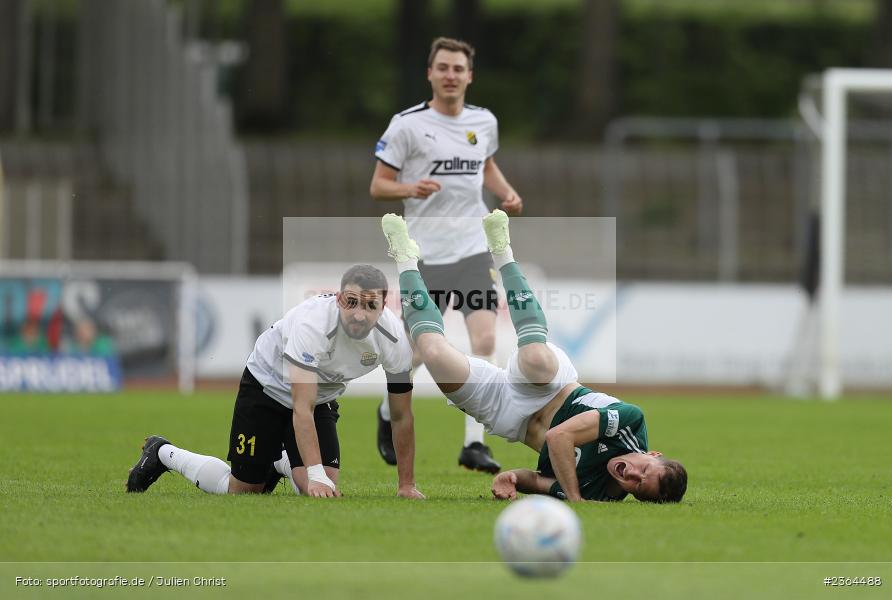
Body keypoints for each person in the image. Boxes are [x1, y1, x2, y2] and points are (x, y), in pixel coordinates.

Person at [381, 211, 688, 502]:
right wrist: (575, 499)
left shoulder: (603, 493)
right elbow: (558, 437)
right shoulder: (630, 423)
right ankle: (502, 251)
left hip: (505, 413)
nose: (631, 476)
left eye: (637, 488)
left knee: (432, 353)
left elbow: (538, 481)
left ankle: (405, 259)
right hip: (549, 385)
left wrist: (512, 477)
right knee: (535, 359)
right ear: (653, 454)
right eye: (643, 469)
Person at [126, 265, 425, 500]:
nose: (359, 314)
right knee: (243, 490)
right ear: (338, 299)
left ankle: (280, 462)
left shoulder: (394, 340)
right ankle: (162, 452)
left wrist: (407, 484)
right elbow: (301, 408)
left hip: (319, 397)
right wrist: (314, 472)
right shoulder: (314, 325)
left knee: (323, 489)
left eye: (370, 305)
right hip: (267, 385)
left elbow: (400, 416)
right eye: (352, 302)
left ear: (385, 306)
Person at [370, 36, 523, 474]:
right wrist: (409, 189)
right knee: (418, 353)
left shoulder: (484, 121)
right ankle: (386, 410)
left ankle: (474, 444)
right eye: (443, 68)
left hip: (473, 251)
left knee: (487, 340)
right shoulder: (407, 125)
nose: (451, 75)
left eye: (459, 68)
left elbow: (485, 164)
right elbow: (378, 185)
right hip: (425, 257)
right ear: (430, 74)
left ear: (470, 75)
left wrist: (505, 190)